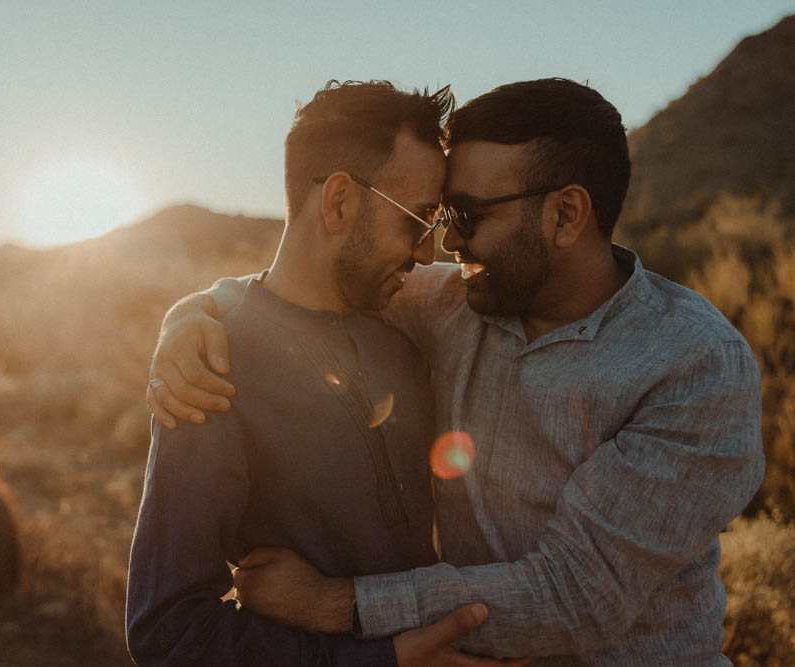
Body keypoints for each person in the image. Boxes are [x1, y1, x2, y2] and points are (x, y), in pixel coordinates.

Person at [146, 78, 765, 665]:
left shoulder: (695, 363)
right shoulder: (454, 303)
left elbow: (576, 593)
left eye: (465, 217)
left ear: (566, 216)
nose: (443, 249)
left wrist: (334, 606)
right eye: (435, 218)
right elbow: (301, 284)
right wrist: (192, 314)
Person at [126, 80, 527, 667]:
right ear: (339, 202)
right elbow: (169, 633)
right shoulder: (214, 367)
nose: (426, 255)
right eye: (415, 223)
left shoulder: (405, 336)